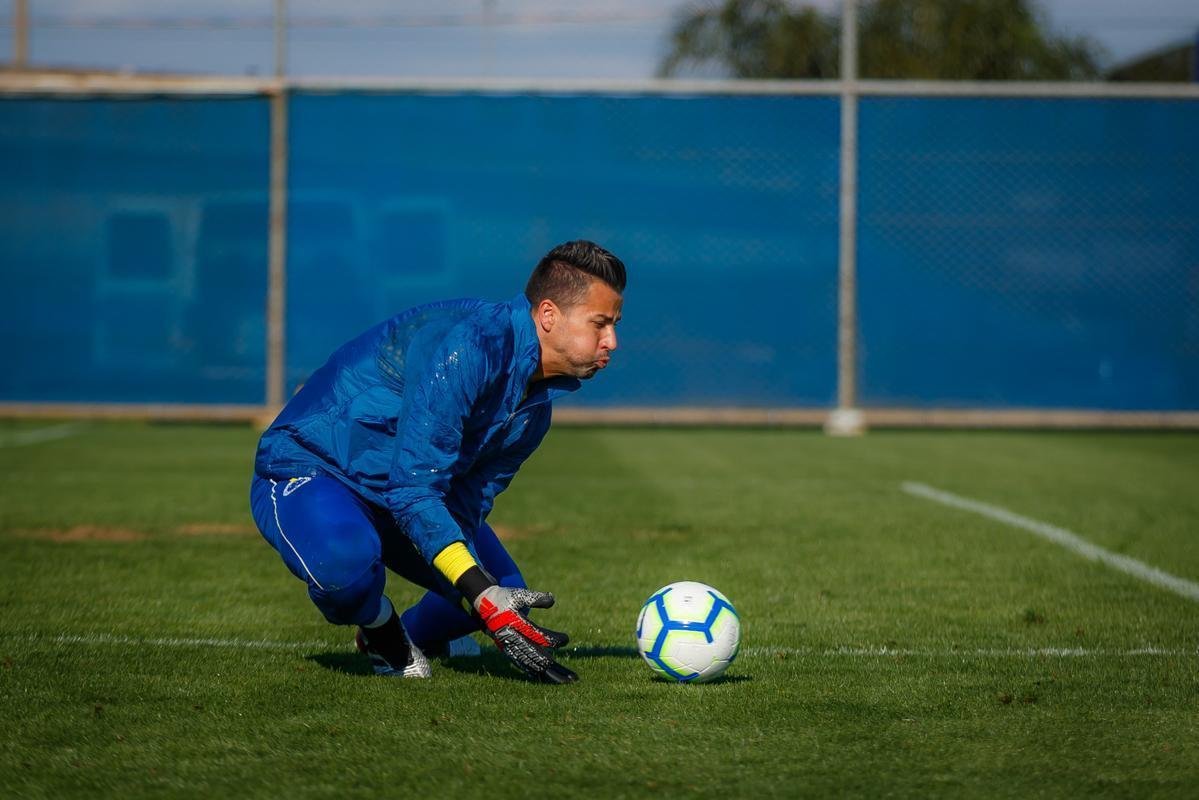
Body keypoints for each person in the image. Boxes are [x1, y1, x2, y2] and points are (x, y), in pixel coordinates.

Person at [249, 240, 625, 684]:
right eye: (599, 324)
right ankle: (381, 629)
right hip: (316, 467)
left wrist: (483, 600)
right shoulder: (471, 345)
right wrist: (480, 594)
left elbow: (462, 509)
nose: (612, 342)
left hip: (400, 492)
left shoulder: (533, 414)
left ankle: (407, 635)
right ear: (548, 315)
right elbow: (414, 491)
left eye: (614, 325)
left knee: (502, 588)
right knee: (345, 567)